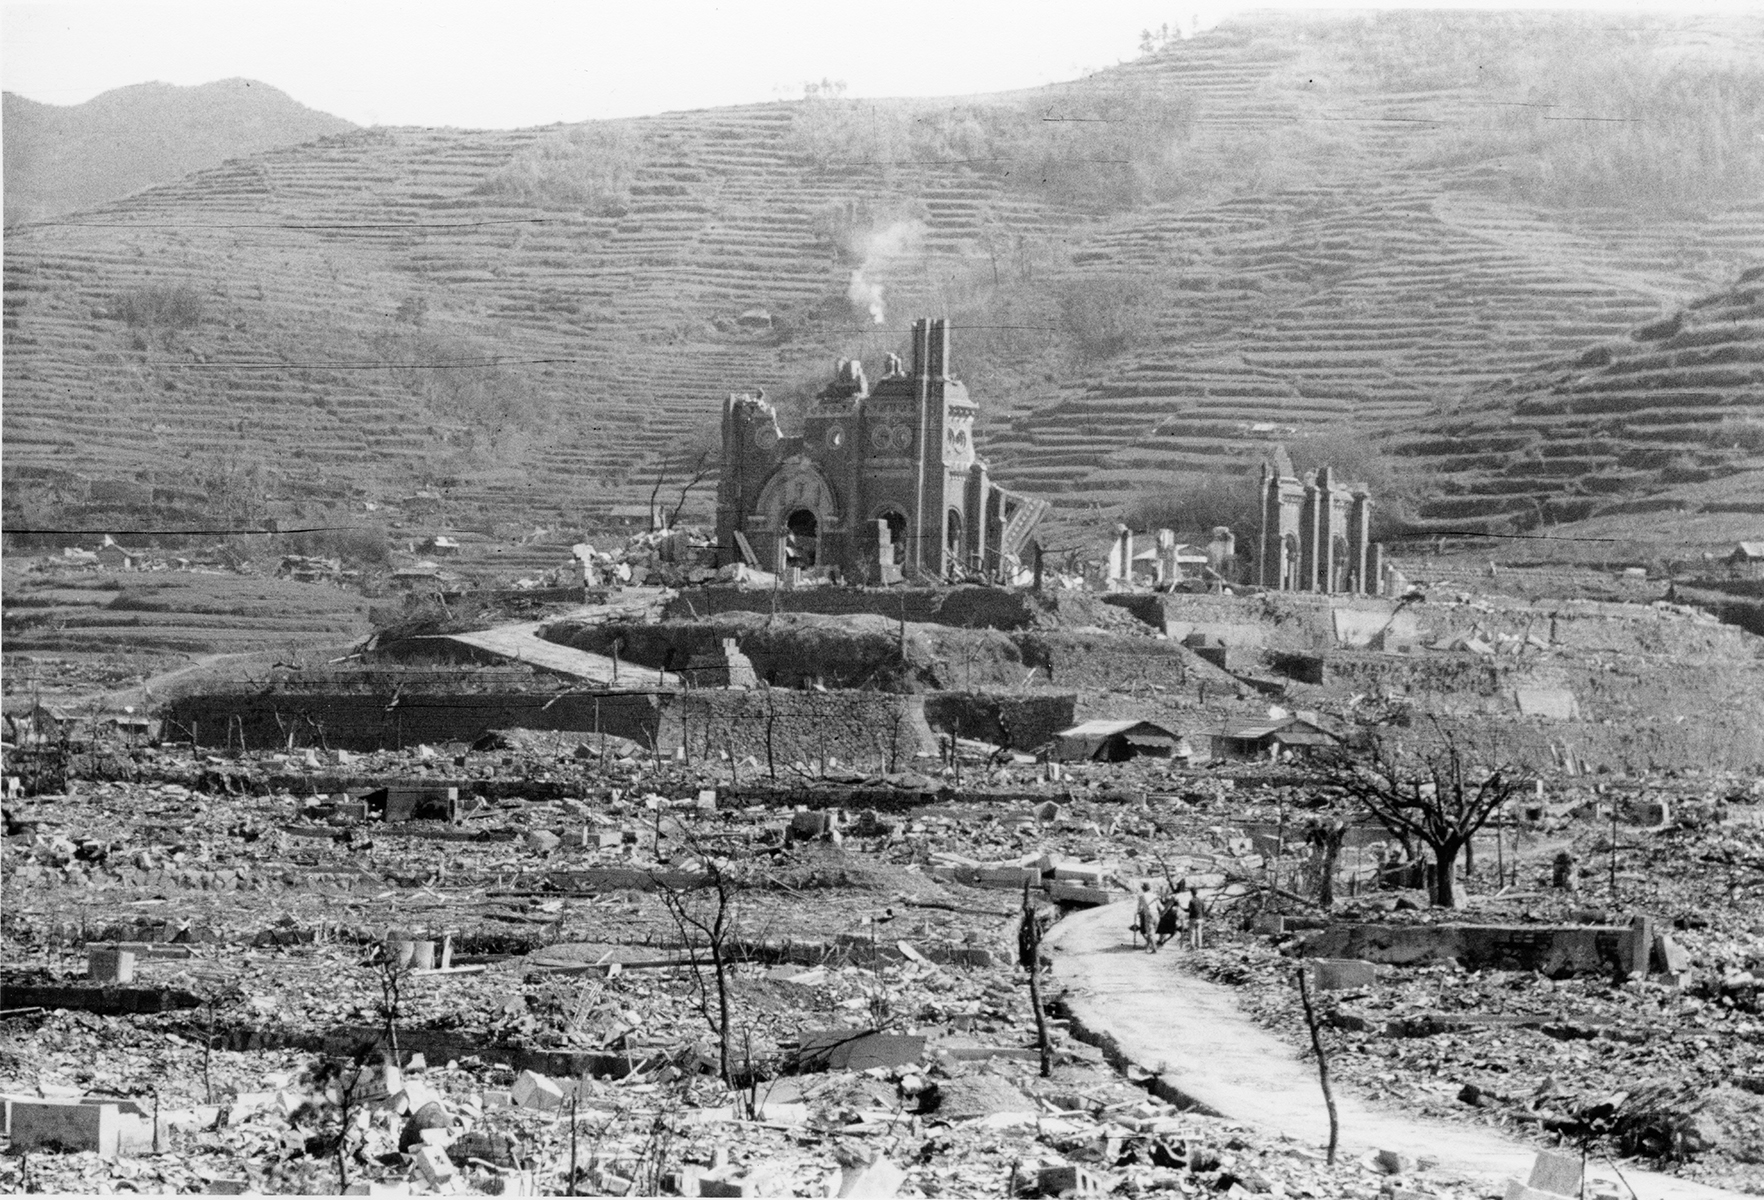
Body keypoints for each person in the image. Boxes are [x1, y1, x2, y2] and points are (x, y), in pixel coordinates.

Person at [1134, 882, 1159, 953]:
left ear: (1142, 888)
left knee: (1150, 933)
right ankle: (1148, 947)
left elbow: (1139, 908)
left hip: (1149, 914)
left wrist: (1140, 911)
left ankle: (1154, 949)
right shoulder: (1154, 895)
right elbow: (1160, 906)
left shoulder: (1141, 896)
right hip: (1156, 914)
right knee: (1151, 932)